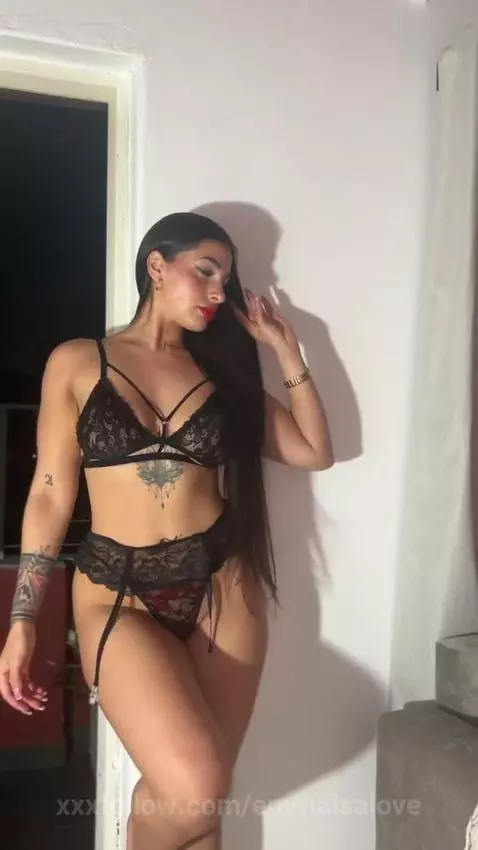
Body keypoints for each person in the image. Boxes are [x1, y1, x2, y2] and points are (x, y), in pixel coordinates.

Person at [0, 212, 334, 850]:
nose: (217, 291)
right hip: (116, 591)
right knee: (193, 786)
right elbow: (49, 493)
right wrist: (23, 620)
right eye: (205, 271)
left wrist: (286, 350)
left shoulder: (223, 376)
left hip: (223, 586)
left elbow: (314, 450)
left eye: (225, 280)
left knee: (205, 805)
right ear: (156, 265)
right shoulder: (78, 361)